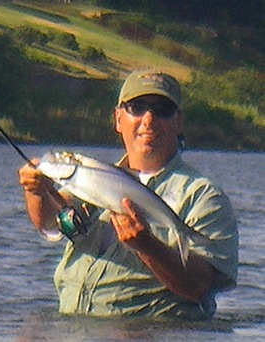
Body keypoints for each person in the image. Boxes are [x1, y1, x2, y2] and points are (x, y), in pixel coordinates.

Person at [18, 69, 238, 319]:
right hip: (74, 329)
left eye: (162, 109)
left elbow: (199, 286)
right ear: (118, 118)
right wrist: (35, 191)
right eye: (137, 107)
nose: (148, 119)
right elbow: (48, 222)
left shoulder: (204, 197)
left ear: (179, 122)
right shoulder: (92, 176)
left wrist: (147, 246)